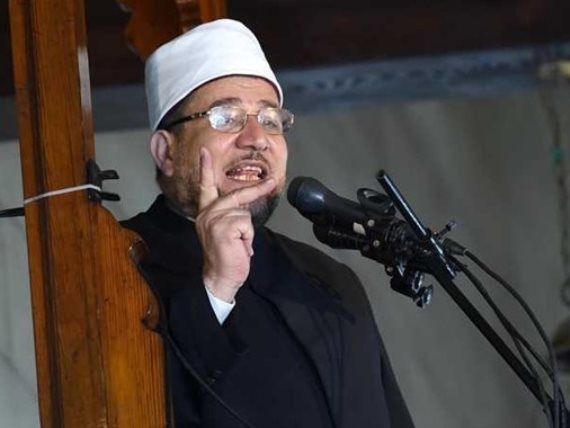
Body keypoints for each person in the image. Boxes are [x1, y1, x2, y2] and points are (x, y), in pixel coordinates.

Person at [123, 19, 414, 428]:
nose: (257, 138)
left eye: (271, 120)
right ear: (166, 153)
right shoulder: (120, 262)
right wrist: (215, 291)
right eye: (227, 117)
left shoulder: (329, 279)